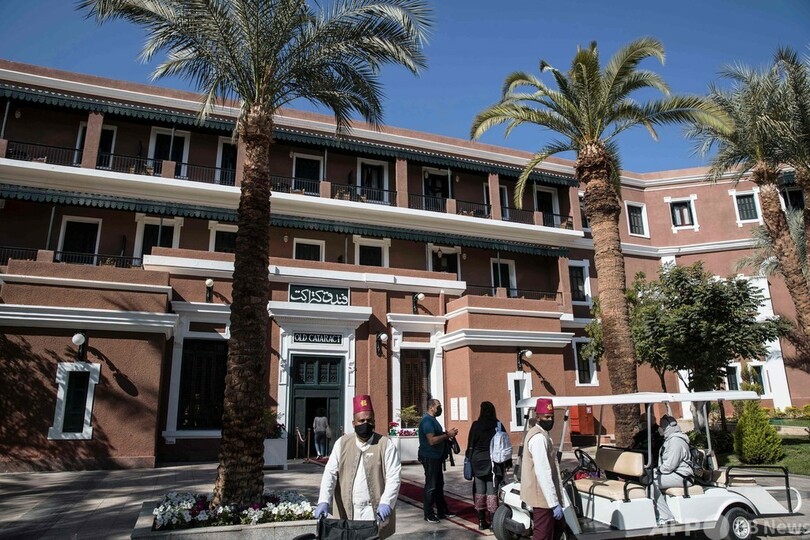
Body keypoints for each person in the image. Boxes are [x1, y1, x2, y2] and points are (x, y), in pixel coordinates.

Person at [315, 395, 401, 539]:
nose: (365, 424)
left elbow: (394, 477)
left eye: (369, 420)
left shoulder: (385, 445)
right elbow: (330, 474)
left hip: (373, 512)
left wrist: (386, 502)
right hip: (348, 511)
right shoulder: (342, 443)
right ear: (354, 423)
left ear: (374, 421)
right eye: (361, 421)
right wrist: (323, 500)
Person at [520, 398, 566, 540]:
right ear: (538, 417)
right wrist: (553, 504)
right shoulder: (539, 438)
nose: (550, 420)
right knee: (543, 535)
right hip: (542, 496)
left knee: (558, 527)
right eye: (546, 417)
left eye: (552, 417)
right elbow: (543, 472)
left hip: (544, 495)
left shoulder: (539, 433)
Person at [418, 399, 458, 524]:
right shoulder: (427, 421)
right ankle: (428, 513)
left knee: (439, 484)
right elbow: (432, 440)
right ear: (431, 407)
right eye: (438, 406)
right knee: (431, 485)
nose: (440, 408)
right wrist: (448, 435)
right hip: (430, 457)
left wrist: (447, 435)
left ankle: (442, 510)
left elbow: (437, 436)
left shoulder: (433, 420)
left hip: (437, 457)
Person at [652, 414, 694, 525]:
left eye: (662, 426)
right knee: (648, 477)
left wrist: (657, 470)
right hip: (674, 474)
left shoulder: (676, 441)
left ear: (669, 428)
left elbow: (669, 465)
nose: (660, 429)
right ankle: (657, 512)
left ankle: (667, 517)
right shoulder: (669, 440)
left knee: (651, 482)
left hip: (683, 476)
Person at [466, 401, 501, 530]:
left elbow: (470, 443)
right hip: (492, 461)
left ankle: (481, 521)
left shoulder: (476, 425)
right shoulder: (497, 424)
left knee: (479, 490)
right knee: (492, 491)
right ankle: (492, 522)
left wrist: (469, 458)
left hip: (477, 461)